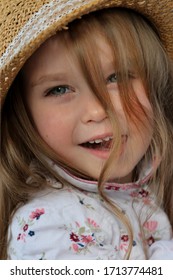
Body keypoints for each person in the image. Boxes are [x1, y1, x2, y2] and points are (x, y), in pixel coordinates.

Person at [0, 0, 173, 260]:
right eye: (59, 89)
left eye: (116, 78)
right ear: (22, 116)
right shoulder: (48, 226)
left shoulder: (150, 180)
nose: (97, 111)